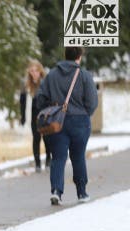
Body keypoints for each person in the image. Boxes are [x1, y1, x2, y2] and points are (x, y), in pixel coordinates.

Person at [36, 47, 98, 205]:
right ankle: (82, 193)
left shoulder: (51, 75)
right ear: (79, 56)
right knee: (78, 156)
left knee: (58, 157)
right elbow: (92, 101)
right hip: (80, 122)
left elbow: (40, 98)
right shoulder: (84, 75)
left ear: (65, 55)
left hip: (57, 122)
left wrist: (52, 108)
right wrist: (84, 113)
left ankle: (56, 191)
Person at [19, 59, 51, 172]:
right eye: (32, 71)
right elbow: (22, 102)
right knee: (36, 138)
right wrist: (22, 117)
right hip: (33, 115)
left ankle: (48, 158)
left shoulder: (46, 83)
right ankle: (37, 163)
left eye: (36, 70)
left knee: (47, 138)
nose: (34, 73)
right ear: (29, 72)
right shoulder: (26, 85)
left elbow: (50, 99)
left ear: (40, 71)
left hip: (45, 114)